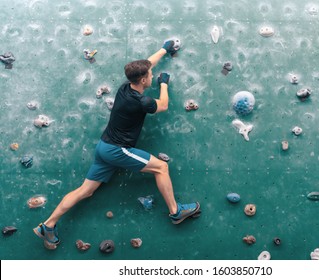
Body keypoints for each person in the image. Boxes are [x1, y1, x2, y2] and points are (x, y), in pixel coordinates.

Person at [33, 40, 201, 246]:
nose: (151, 76)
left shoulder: (125, 88)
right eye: (149, 76)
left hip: (104, 147)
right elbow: (163, 105)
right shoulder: (143, 102)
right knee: (162, 168)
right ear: (142, 80)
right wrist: (164, 84)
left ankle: (48, 225)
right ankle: (175, 212)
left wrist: (164, 49)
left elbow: (148, 63)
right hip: (118, 150)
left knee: (85, 191)